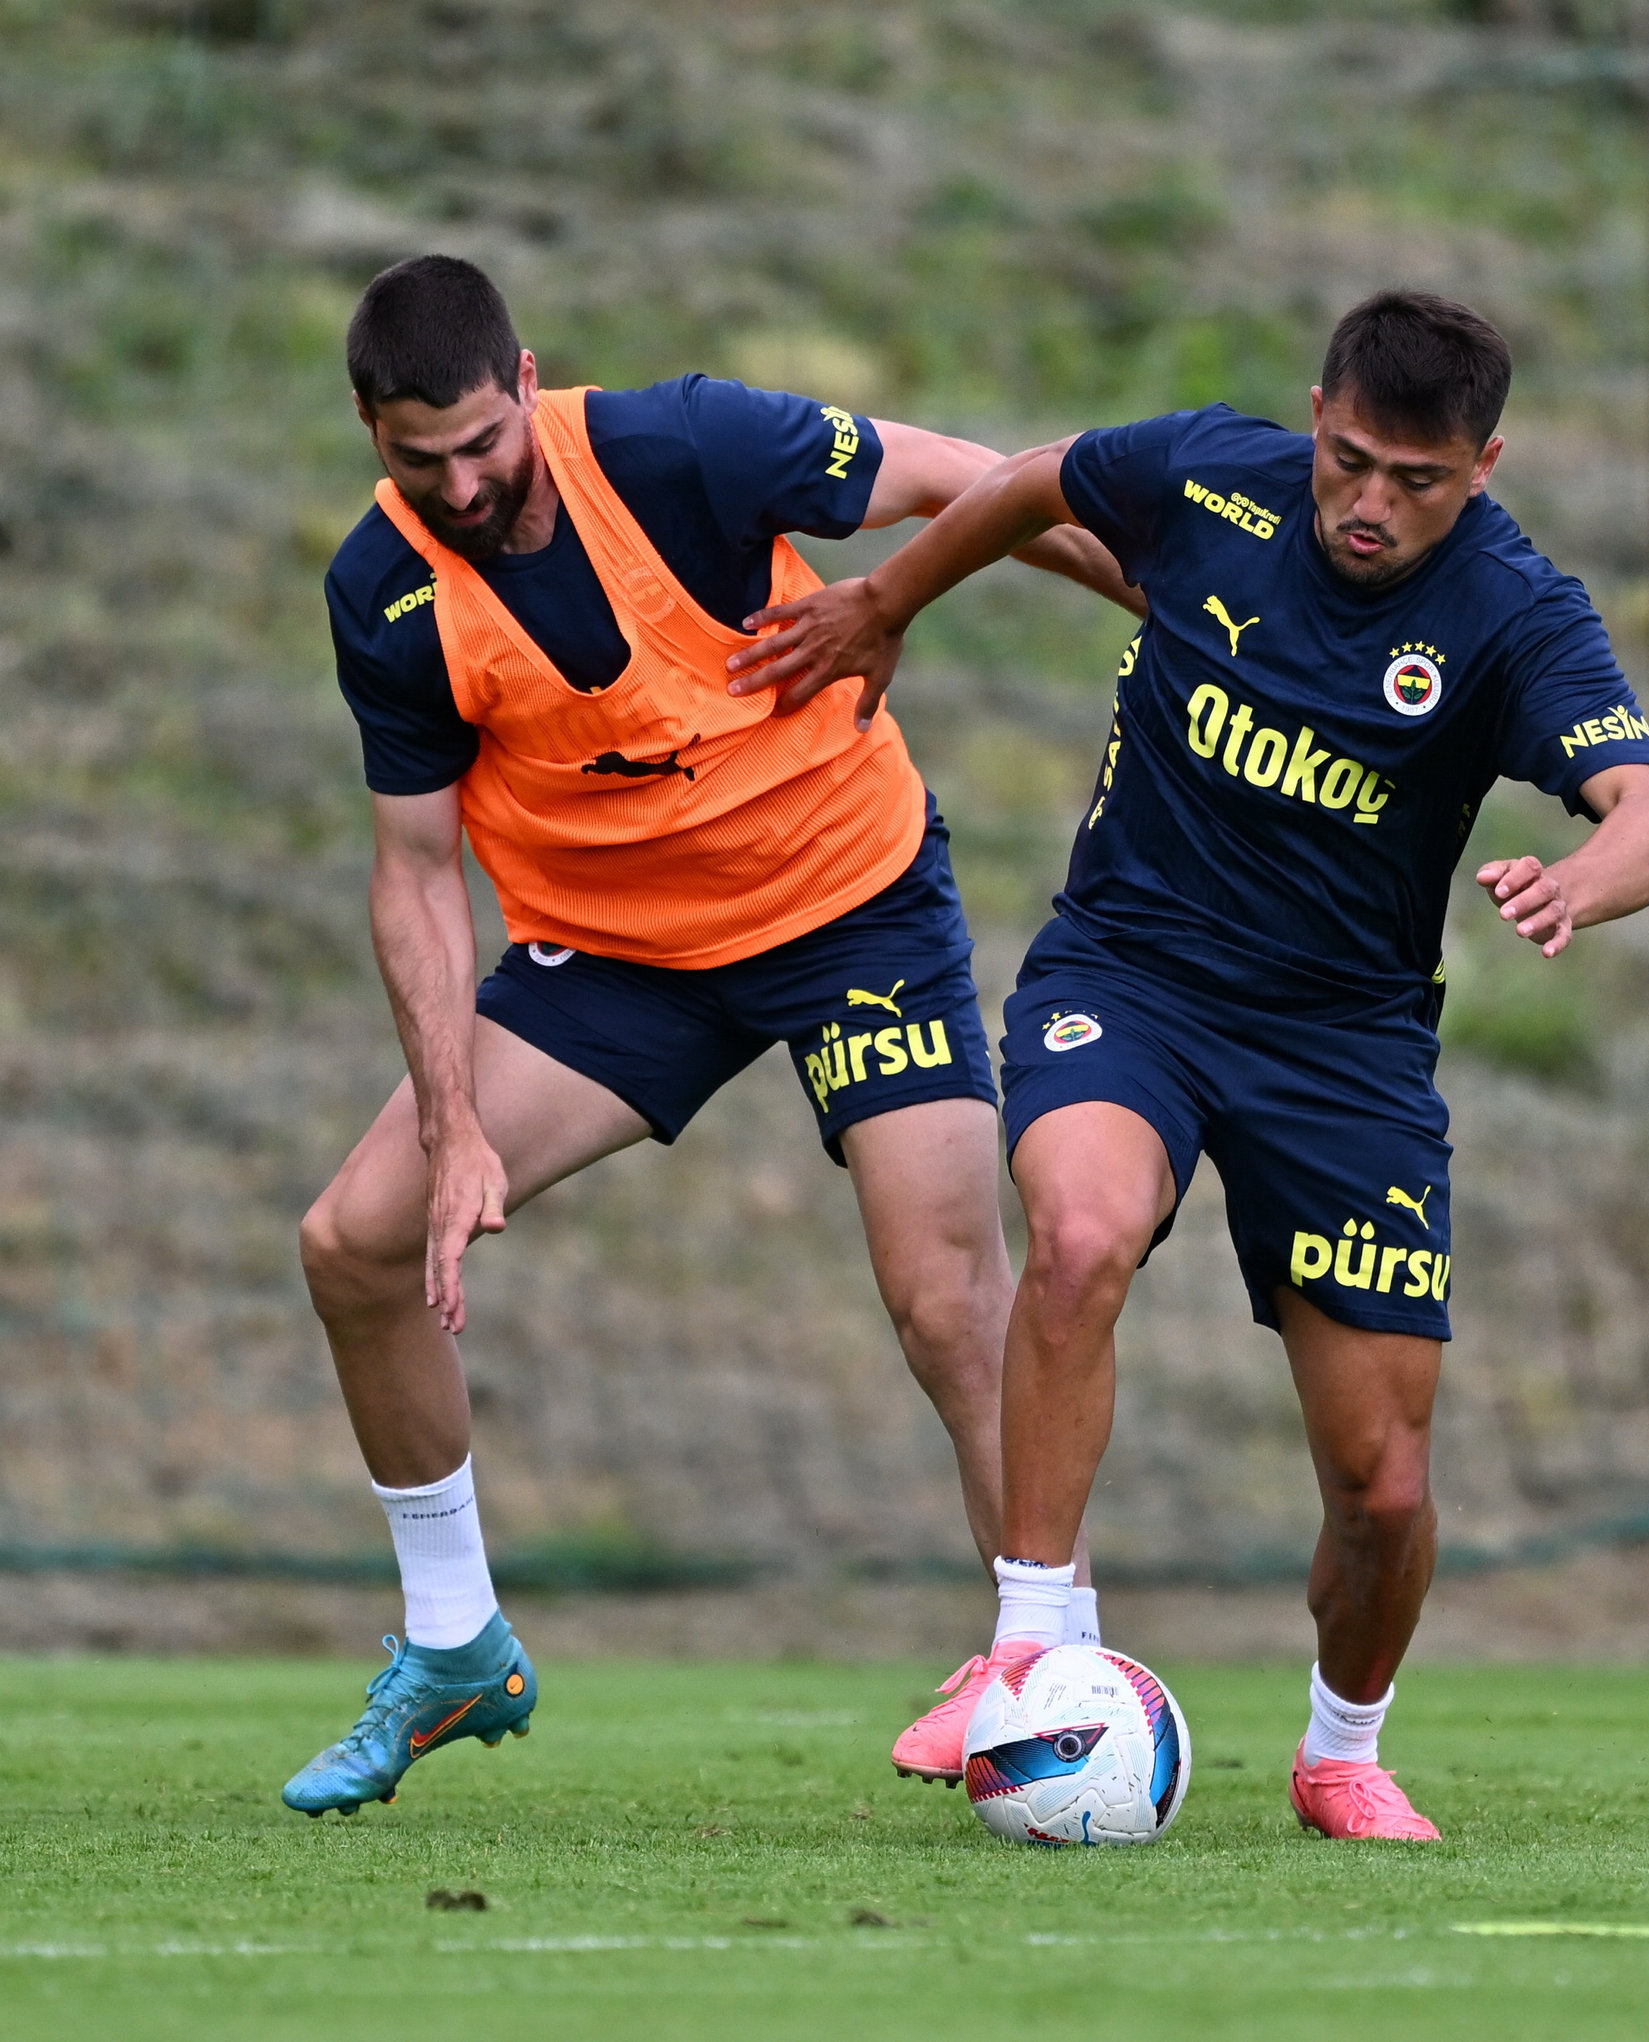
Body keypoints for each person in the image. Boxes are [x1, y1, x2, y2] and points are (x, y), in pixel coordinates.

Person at [727, 290, 1649, 1835]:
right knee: (1087, 1231)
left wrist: (1582, 880)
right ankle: (1032, 1649)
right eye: (1353, 460)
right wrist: (887, 600)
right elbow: (1039, 479)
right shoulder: (1209, 478)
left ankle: (1342, 1749)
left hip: (1344, 1049)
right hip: (1133, 975)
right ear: (1316, 415)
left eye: (1420, 480)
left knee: (1382, 1485)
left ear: (1486, 465)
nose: (1372, 504)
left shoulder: (1516, 617)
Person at [283, 255, 1139, 1817]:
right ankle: (456, 1639)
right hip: (617, 959)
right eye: (423, 459)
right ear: (369, 427)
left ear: (526, 380)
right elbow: (412, 869)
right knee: (355, 1241)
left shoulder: (685, 446)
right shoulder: (384, 592)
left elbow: (983, 481)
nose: (464, 482)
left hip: (847, 902)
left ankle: (1052, 1670)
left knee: (950, 1297)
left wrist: (1172, 597)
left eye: (485, 441)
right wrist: (451, 1116)